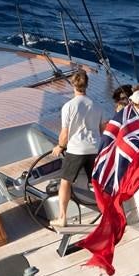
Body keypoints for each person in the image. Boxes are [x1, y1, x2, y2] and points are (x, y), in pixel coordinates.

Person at [52, 69, 105, 228]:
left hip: (76, 150)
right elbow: (103, 130)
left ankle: (62, 218)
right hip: (95, 148)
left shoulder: (68, 106)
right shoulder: (97, 106)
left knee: (65, 182)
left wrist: (60, 147)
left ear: (73, 85)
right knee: (98, 184)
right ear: (87, 85)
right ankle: (108, 213)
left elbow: (65, 134)